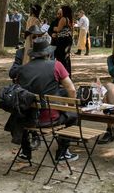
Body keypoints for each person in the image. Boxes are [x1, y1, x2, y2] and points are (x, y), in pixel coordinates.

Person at [13, 34, 78, 163]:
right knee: (74, 115)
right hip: (50, 119)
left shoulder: (22, 69)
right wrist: (70, 106)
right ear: (48, 54)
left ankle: (26, 153)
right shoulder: (56, 65)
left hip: (27, 119)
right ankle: (63, 152)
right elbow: (71, 89)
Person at [48, 6, 73, 75]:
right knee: (66, 58)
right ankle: (67, 74)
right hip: (67, 39)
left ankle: (63, 74)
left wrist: (54, 28)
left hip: (62, 40)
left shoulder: (63, 19)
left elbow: (58, 29)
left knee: (61, 58)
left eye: (61, 11)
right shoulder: (69, 19)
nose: (60, 14)